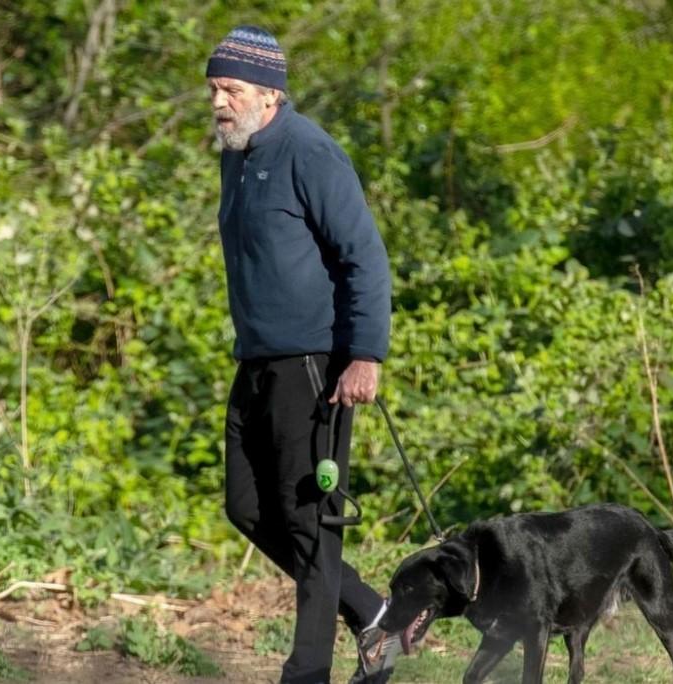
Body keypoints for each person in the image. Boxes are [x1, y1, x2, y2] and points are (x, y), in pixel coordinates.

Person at [207, 25, 402, 684]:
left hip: (316, 365)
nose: (217, 102)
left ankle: (307, 672)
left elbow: (364, 259)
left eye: (229, 89)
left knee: (310, 522)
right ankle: (374, 612)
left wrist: (365, 355)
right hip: (255, 361)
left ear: (269, 92)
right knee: (245, 506)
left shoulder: (311, 153)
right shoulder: (235, 151)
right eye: (213, 89)